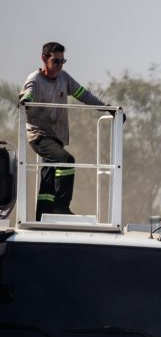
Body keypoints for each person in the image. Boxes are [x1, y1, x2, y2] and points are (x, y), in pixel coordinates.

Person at [19, 42, 111, 220]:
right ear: (44, 59)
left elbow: (84, 94)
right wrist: (25, 100)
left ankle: (42, 215)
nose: (59, 66)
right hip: (39, 135)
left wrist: (108, 108)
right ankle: (61, 206)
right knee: (66, 160)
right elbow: (28, 93)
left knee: (48, 177)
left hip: (57, 137)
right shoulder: (35, 79)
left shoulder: (64, 78)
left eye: (63, 61)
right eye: (56, 61)